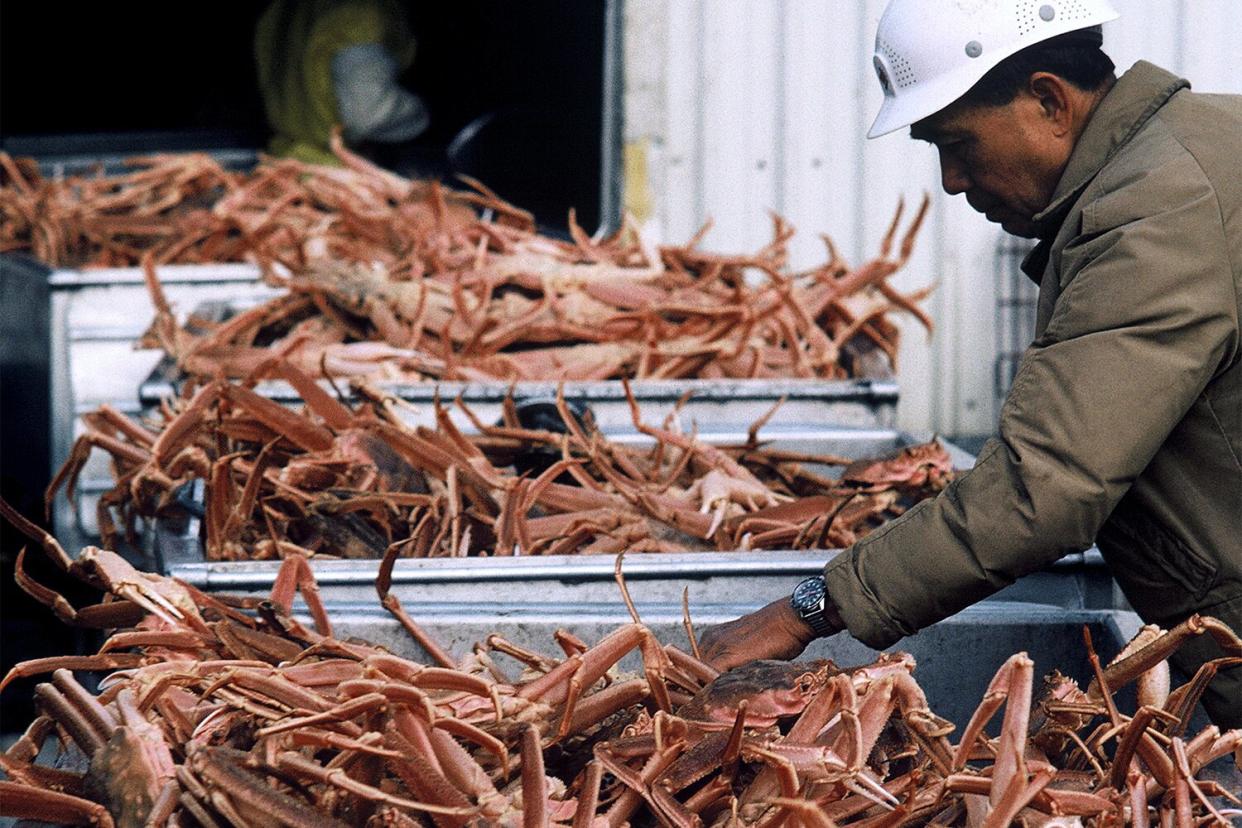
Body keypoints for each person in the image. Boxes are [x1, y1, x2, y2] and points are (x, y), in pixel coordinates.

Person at [700, 0, 1242, 729]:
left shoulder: (1154, 214)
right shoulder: (1203, 146)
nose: (953, 180)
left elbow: (1043, 489)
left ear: (1049, 100)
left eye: (957, 143)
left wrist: (809, 609)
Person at [254, 0, 429, 167]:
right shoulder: (362, 13)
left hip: (283, 160)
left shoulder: (287, 9)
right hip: (336, 176)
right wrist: (427, 118)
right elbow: (367, 113)